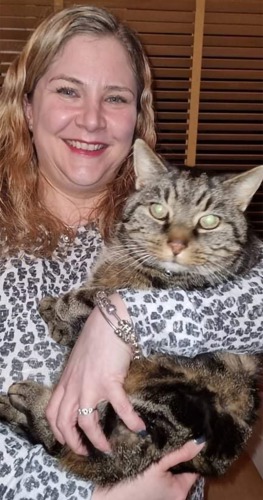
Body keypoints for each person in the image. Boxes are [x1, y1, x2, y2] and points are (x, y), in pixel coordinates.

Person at [0, 5, 262, 500]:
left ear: (138, 118)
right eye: (68, 90)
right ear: (28, 104)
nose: (93, 119)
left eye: (116, 97)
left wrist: (127, 316)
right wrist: (95, 497)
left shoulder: (163, 208)